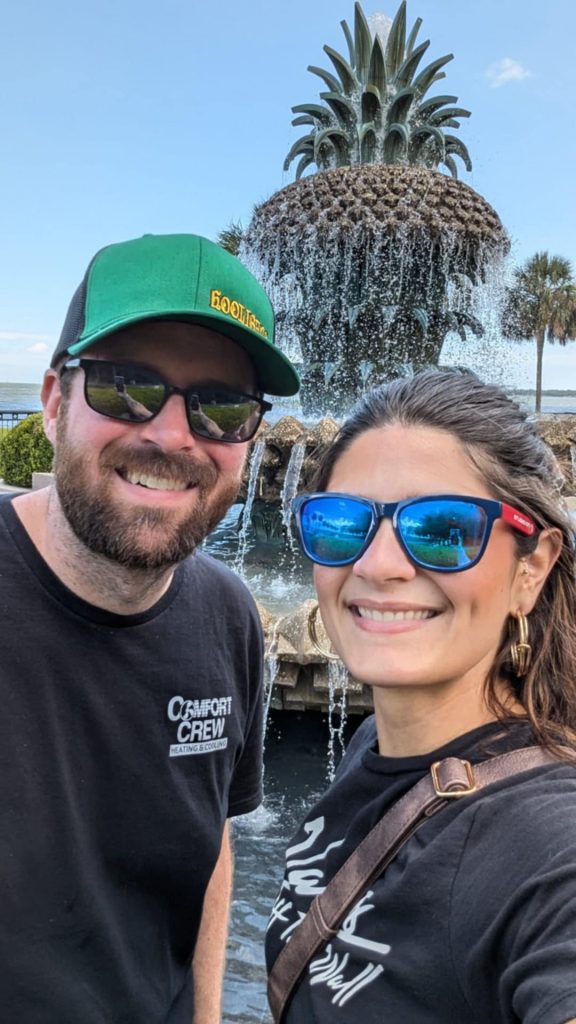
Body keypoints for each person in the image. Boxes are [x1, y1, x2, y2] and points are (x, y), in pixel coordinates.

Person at [0, 232, 299, 1024]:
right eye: (126, 388)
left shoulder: (229, 616)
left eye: (222, 407)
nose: (172, 436)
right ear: (55, 400)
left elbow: (210, 841)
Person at [266, 367, 576, 1024]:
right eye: (342, 523)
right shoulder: (371, 747)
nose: (378, 565)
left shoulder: (550, 840)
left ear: (533, 569)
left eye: (442, 528)